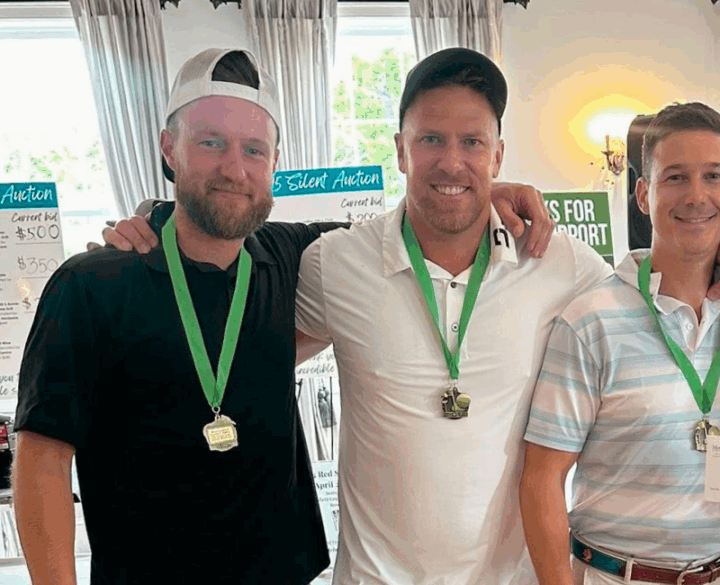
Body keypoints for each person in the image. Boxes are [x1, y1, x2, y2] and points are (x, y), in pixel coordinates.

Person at [15, 47, 552, 585]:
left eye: (254, 150)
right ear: (168, 149)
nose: (234, 168)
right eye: (211, 143)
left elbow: (409, 226)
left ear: (275, 163)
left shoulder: (293, 256)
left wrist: (476, 195)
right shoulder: (92, 283)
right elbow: (41, 460)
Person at [290, 49, 720, 585]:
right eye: (430, 140)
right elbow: (266, 360)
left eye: (472, 142)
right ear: (400, 150)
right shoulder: (335, 263)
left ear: (497, 156)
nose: (451, 161)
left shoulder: (559, 263)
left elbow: (654, 280)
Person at [518, 102, 720, 585]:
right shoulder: (590, 321)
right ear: (642, 194)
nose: (696, 196)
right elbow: (540, 479)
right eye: (675, 177)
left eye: (714, 176)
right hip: (617, 576)